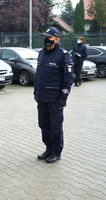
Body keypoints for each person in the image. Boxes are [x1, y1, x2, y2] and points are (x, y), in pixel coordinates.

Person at [34, 27, 74, 163]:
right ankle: (48, 149)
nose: (46, 40)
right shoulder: (41, 54)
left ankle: (56, 152)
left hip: (55, 99)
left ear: (57, 39)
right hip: (42, 97)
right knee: (43, 125)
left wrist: (64, 96)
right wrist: (36, 92)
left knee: (55, 127)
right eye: (45, 37)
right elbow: (38, 76)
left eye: (49, 38)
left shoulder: (63, 55)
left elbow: (68, 79)